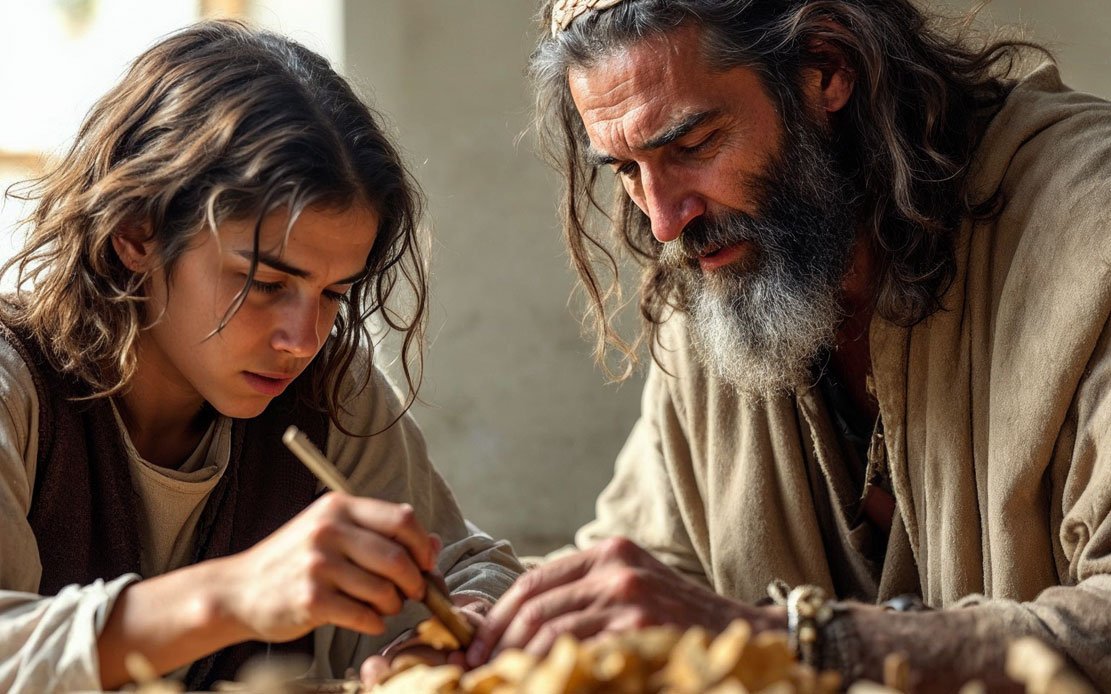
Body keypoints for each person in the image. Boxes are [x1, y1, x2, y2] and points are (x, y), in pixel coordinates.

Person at [469, 0, 1111, 689]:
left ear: (824, 70)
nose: (661, 222)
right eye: (626, 169)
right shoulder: (731, 275)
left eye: (691, 145)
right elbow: (657, 574)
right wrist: (481, 633)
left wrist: (801, 641)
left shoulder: (1089, 229)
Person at [0, 20, 521, 693]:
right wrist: (233, 596)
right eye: (266, 284)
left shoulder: (327, 393)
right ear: (137, 232)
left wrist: (449, 634)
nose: (301, 340)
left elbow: (471, 569)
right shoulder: (16, 385)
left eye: (334, 292)